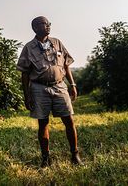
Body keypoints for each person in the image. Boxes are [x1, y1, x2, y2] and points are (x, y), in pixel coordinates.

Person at [17, 16, 82, 168]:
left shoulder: (57, 42)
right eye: (44, 24)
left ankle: (75, 155)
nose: (47, 26)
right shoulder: (29, 47)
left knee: (69, 121)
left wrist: (72, 84)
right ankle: (45, 159)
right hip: (39, 88)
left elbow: (66, 65)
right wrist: (27, 96)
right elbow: (24, 73)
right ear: (35, 27)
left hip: (60, 86)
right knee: (43, 123)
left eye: (48, 24)